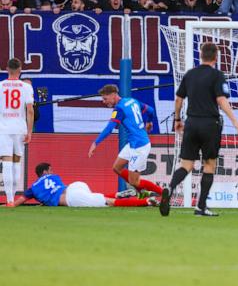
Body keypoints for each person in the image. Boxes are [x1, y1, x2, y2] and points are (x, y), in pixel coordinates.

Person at [159, 42, 238, 217]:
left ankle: (170, 187)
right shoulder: (217, 75)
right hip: (209, 124)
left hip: (191, 123)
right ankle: (200, 206)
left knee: (186, 164)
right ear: (216, 57)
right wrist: (236, 121)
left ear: (201, 55)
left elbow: (178, 99)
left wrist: (177, 119)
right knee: (209, 164)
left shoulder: (190, 74)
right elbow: (221, 100)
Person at [88, 85, 163, 197]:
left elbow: (109, 129)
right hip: (133, 143)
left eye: (105, 98)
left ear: (113, 95)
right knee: (117, 167)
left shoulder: (119, 109)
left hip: (139, 146)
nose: (104, 101)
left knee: (134, 182)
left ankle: (163, 193)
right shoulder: (132, 101)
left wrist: (95, 143)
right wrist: (150, 122)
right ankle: (142, 192)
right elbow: (151, 110)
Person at [12, 163, 158, 207]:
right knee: (95, 197)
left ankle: (146, 201)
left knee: (111, 203)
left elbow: (20, 200)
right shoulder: (54, 177)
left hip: (72, 198)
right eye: (50, 169)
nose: (52, 171)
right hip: (76, 186)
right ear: (45, 172)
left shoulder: (33, 187)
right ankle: (119, 194)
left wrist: (10, 204)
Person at [0, 58, 34, 207]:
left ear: (7, 69)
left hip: (4, 128)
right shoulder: (26, 87)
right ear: (20, 70)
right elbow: (30, 111)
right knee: (16, 162)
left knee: (6, 161)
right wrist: (30, 131)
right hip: (20, 127)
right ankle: (13, 198)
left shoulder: (0, 86)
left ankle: (9, 200)